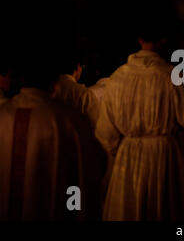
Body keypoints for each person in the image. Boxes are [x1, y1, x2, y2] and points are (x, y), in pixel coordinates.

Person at [95, 17, 184, 220]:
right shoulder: (170, 77)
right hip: (166, 162)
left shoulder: (118, 78)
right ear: (164, 40)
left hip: (128, 162)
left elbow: (105, 135)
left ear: (139, 39)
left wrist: (127, 147)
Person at [0, 51, 105, 220]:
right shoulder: (70, 121)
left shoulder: (3, 116)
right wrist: (74, 210)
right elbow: (80, 179)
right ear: (56, 78)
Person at [53, 52, 100, 129]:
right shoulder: (83, 94)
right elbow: (97, 126)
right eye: (82, 67)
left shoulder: (48, 89)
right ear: (78, 66)